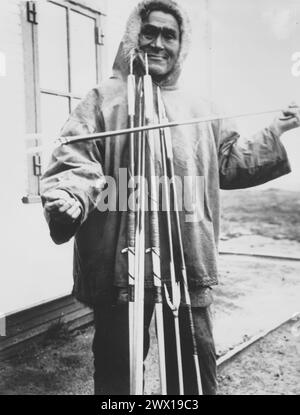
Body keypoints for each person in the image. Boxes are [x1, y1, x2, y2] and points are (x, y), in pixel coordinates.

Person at [41, 0, 300, 395]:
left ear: (182, 44)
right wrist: (69, 196)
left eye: (169, 35)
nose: (158, 43)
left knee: (194, 373)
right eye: (150, 32)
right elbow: (76, 159)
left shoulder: (200, 108)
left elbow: (228, 163)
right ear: (133, 36)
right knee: (117, 378)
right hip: (118, 266)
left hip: (186, 262)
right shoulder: (103, 99)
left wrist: (276, 131)